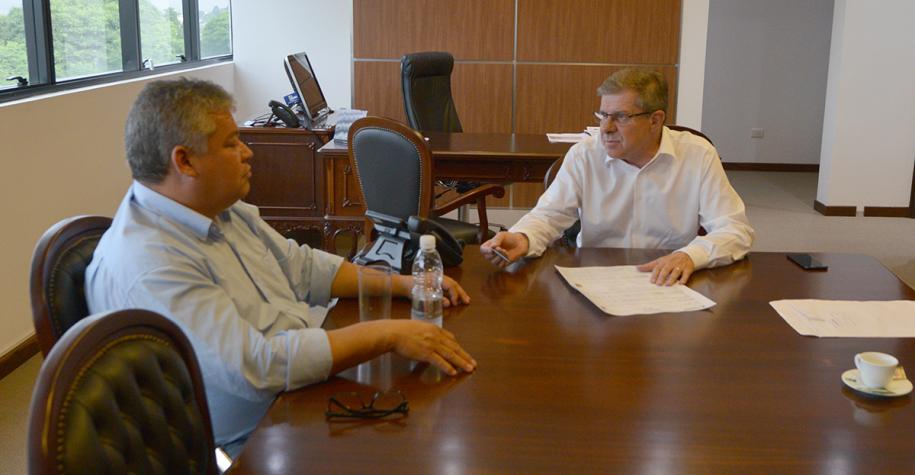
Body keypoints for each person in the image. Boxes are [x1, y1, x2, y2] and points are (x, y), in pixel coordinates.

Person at [85, 79, 476, 457]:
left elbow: (302, 267)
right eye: (232, 143)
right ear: (184, 161)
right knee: (425, 441)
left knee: (439, 408)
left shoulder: (217, 208)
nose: (248, 152)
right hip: (258, 433)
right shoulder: (151, 261)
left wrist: (402, 283)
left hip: (297, 388)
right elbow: (258, 366)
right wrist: (387, 334)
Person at [481, 68, 753, 285]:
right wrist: (524, 236)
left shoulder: (697, 155)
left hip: (668, 279)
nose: (606, 128)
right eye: (603, 115)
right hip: (597, 279)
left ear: (655, 120)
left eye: (621, 117)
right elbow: (548, 216)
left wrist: (689, 256)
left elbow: (734, 230)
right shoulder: (585, 155)